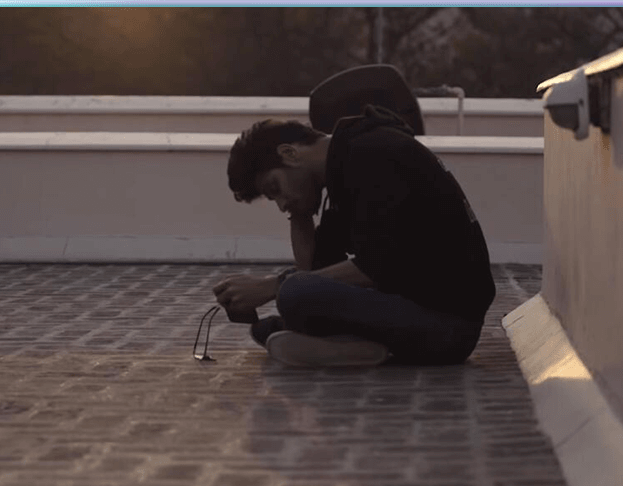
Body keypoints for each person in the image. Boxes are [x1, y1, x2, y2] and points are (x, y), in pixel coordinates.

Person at [212, 104, 496, 368]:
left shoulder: (374, 154)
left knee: (294, 294)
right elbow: (316, 272)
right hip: (415, 309)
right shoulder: (343, 170)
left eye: (275, 189)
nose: (281, 203)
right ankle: (354, 346)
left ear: (290, 154)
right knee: (278, 317)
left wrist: (274, 286)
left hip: (448, 327)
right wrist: (299, 214)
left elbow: (379, 265)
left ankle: (355, 345)